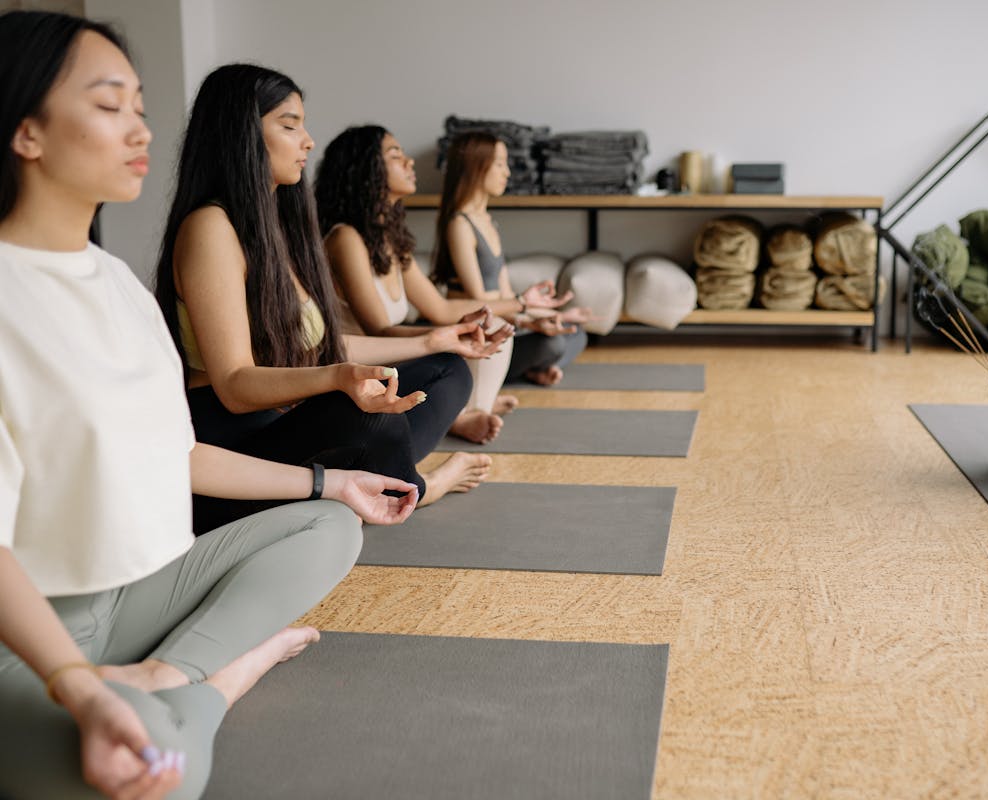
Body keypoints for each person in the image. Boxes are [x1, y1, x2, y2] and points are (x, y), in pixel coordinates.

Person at [0, 12, 419, 799]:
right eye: (108, 103)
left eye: (140, 106)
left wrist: (333, 485)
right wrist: (77, 685)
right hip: (20, 636)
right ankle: (224, 679)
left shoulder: (115, 284)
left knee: (330, 523)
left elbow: (178, 456)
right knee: (153, 772)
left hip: (124, 597)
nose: (139, 127)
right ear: (26, 133)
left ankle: (168, 672)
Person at [155, 66, 504, 532]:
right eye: (290, 124)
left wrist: (433, 339)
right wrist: (337, 378)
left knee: (447, 368)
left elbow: (328, 346)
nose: (308, 141)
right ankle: (416, 487)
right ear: (242, 133)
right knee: (369, 420)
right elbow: (235, 387)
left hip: (284, 422)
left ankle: (377, 479)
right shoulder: (210, 228)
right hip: (233, 448)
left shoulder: (277, 227)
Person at [315, 125, 571, 443]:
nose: (409, 162)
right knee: (453, 364)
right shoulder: (345, 238)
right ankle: (466, 413)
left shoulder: (392, 241)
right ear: (364, 170)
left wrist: (521, 303)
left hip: (394, 357)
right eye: (396, 155)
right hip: (363, 368)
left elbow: (441, 307)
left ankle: (468, 410)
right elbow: (377, 331)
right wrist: (443, 338)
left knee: (492, 333)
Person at [432, 132, 591, 389]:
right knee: (552, 343)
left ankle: (531, 369)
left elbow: (507, 294)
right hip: (481, 332)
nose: (506, 172)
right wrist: (531, 320)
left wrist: (554, 315)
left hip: (503, 321)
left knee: (577, 333)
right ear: (476, 167)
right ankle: (530, 369)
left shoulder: (489, 222)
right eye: (499, 164)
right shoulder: (459, 224)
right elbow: (480, 301)